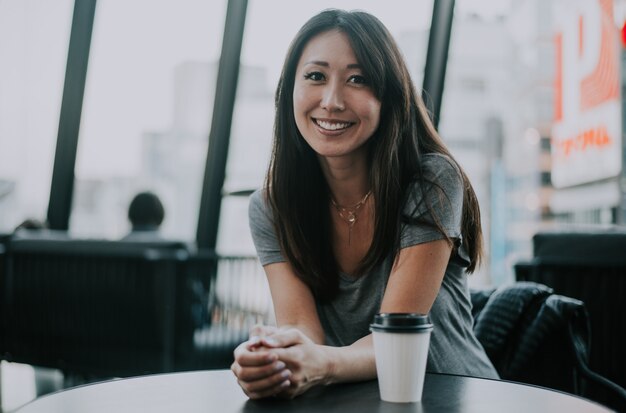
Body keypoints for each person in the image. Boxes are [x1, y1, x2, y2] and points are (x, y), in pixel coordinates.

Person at [231, 9, 499, 399]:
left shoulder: (430, 182)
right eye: (315, 76)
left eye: (357, 79)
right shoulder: (272, 207)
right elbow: (303, 331)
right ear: (289, 88)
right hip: (353, 402)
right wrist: (275, 357)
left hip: (451, 396)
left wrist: (316, 363)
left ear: (388, 97)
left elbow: (397, 338)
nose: (332, 101)